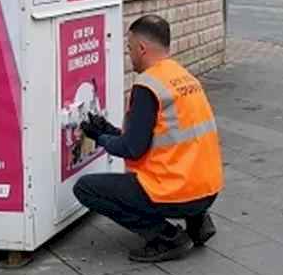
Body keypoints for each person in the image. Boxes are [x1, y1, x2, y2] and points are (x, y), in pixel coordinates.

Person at [73, 14, 223, 262]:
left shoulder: (147, 86)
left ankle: (166, 237)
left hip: (176, 191)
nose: (129, 54)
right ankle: (198, 222)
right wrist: (109, 131)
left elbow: (133, 148)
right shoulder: (184, 77)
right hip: (207, 190)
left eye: (129, 48)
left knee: (86, 188)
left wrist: (99, 138)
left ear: (142, 48)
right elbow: (156, 139)